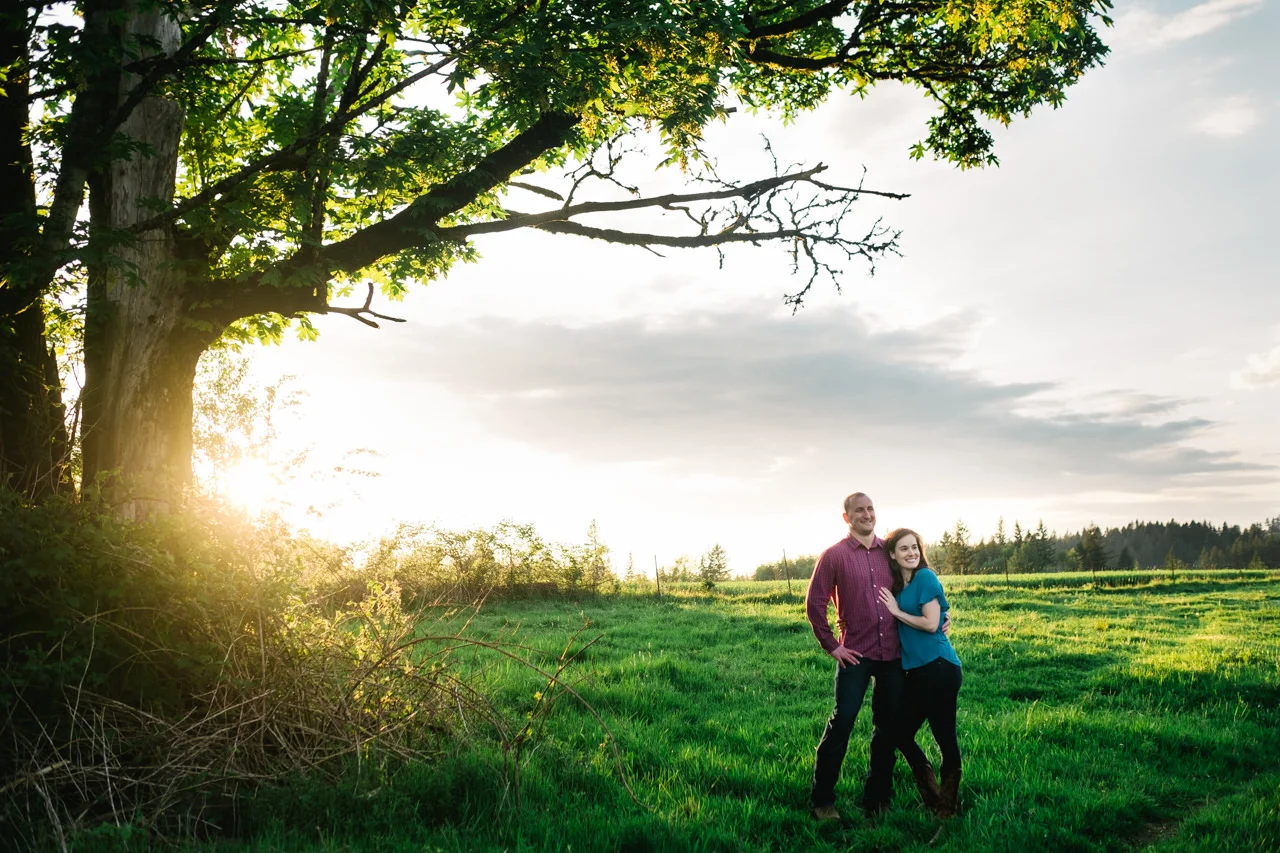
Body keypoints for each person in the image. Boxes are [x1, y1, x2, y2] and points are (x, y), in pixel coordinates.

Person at [805, 492, 938, 819]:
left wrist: (937, 616)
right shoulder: (834, 556)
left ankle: (876, 799)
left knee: (887, 728)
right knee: (842, 722)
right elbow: (815, 603)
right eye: (858, 510)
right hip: (856, 654)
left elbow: (916, 585)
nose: (866, 514)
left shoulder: (889, 553)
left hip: (893, 654)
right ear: (847, 517)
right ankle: (823, 800)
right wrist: (832, 645)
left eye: (870, 509)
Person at [877, 527, 963, 818]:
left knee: (944, 737)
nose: (911, 553)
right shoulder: (899, 586)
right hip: (916, 673)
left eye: (915, 547)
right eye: (904, 548)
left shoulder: (926, 576)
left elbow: (930, 624)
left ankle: (947, 808)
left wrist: (896, 612)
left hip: (939, 668)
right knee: (899, 733)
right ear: (893, 554)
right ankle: (932, 797)